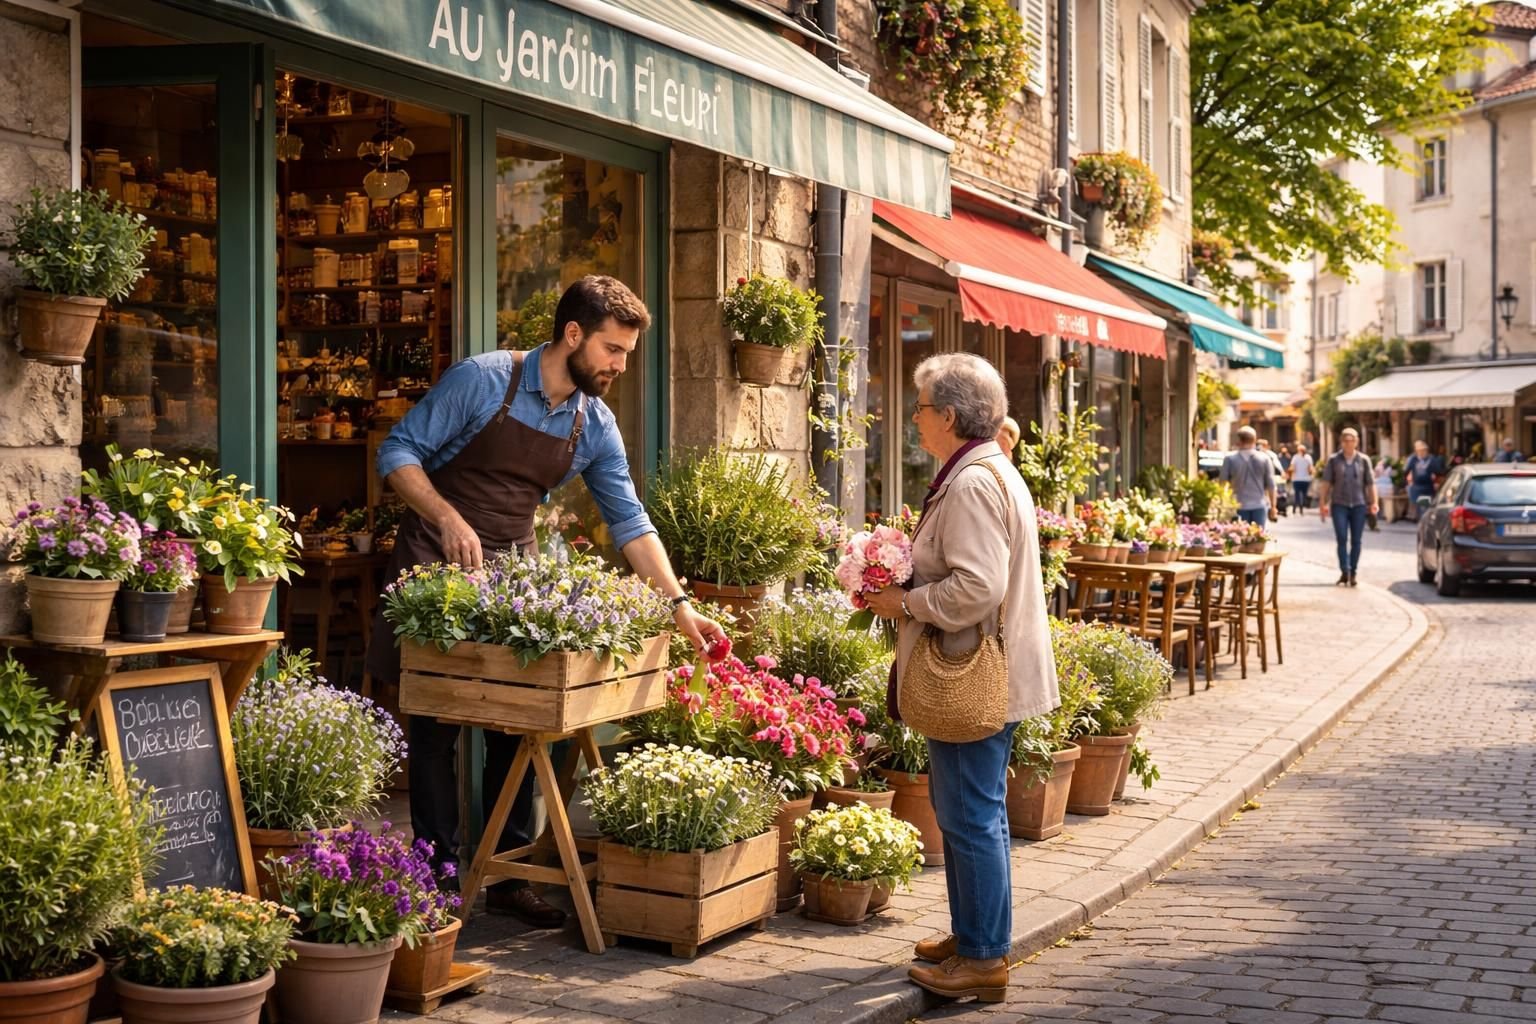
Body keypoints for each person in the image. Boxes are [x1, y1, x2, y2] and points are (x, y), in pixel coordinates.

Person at [367, 275, 725, 927]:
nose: (620, 365)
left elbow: (630, 523)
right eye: (613, 351)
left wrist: (678, 605)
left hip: (514, 572)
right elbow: (398, 453)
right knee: (435, 725)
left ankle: (507, 874)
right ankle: (437, 881)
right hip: (435, 564)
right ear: (573, 335)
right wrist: (446, 516)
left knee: (522, 718)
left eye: (625, 354)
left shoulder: (594, 423)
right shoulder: (483, 380)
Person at [863, 353, 1057, 1005]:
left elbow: (978, 585)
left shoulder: (972, 482)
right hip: (985, 669)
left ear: (947, 416)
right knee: (971, 810)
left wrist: (906, 602)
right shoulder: (981, 471)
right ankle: (976, 935)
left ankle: (981, 957)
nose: (914, 419)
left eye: (919, 408)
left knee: (970, 813)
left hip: (973, 672)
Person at [1318, 426, 1378, 587]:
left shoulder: (1364, 460)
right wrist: (1322, 503)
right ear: (1342, 442)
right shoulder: (1334, 460)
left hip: (1359, 504)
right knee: (1342, 538)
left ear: (1357, 442)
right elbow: (1326, 483)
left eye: (1352, 440)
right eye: (1346, 440)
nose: (1349, 443)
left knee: (1357, 540)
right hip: (1339, 504)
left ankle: (1353, 572)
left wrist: (1374, 502)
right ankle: (1345, 570)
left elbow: (1371, 484)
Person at [1220, 426, 1277, 528]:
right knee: (1258, 539)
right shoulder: (1264, 459)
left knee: (1239, 538)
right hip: (1259, 504)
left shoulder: (1230, 459)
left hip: (1238, 505)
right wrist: (1273, 507)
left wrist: (1222, 504)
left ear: (1239, 440)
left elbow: (1222, 484)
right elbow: (1271, 485)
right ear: (1254, 440)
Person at [1404, 440, 1442, 521]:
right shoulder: (1413, 459)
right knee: (1420, 507)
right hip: (1417, 487)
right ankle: (1422, 521)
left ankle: (1424, 521)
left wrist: (1436, 482)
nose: (1422, 452)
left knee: (1425, 507)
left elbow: (1438, 472)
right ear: (1416, 451)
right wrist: (1406, 483)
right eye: (1420, 450)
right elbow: (1405, 471)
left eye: (1424, 450)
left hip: (1427, 487)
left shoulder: (1431, 459)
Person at [1289, 443, 1315, 511]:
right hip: (1306, 479)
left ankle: (1295, 508)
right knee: (1304, 494)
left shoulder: (1295, 457)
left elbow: (1292, 468)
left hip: (1296, 479)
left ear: (1298, 450)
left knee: (1297, 494)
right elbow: (1311, 468)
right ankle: (1301, 508)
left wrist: (1290, 475)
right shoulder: (1308, 457)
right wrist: (1312, 474)